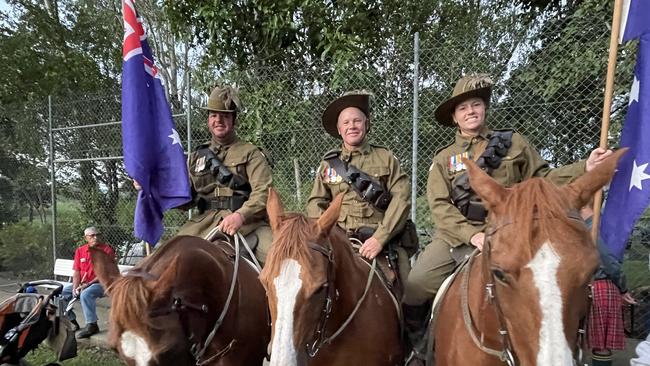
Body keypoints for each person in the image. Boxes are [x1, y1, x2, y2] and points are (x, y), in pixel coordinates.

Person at [402, 74, 614, 363]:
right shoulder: (443, 159)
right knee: (415, 285)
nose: (470, 112)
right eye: (462, 108)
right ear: (454, 117)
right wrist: (471, 235)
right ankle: (419, 346)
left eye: (476, 104)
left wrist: (585, 167)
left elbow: (545, 179)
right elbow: (440, 206)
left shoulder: (513, 143)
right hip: (459, 235)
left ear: (485, 108)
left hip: (515, 233)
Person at [306, 90, 413, 295]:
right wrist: (328, 234)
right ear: (339, 129)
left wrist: (380, 238)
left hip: (381, 241)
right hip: (341, 241)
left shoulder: (386, 157)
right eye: (346, 123)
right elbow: (315, 202)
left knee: (410, 291)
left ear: (366, 124)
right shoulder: (328, 164)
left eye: (357, 121)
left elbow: (402, 199)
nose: (352, 126)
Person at [174, 85, 274, 265]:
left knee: (281, 259)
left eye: (225, 116)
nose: (218, 120)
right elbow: (185, 198)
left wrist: (241, 215)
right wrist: (153, 188)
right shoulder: (197, 156)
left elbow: (263, 192)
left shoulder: (251, 152)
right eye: (213, 115)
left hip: (248, 224)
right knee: (166, 260)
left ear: (234, 121)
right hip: (203, 224)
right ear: (208, 120)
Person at [581, 203, 637, 366]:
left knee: (601, 343)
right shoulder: (586, 225)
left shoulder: (595, 226)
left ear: (584, 205)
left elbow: (608, 261)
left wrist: (622, 286)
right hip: (587, 286)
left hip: (599, 285)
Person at [62, 226, 115, 339]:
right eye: (92, 236)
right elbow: (77, 272)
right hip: (83, 283)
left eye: (97, 235)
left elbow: (104, 274)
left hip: (102, 283)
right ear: (86, 238)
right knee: (62, 293)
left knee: (86, 293)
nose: (95, 237)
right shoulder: (80, 251)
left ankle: (92, 325)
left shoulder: (107, 251)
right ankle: (72, 321)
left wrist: (87, 284)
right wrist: (75, 287)